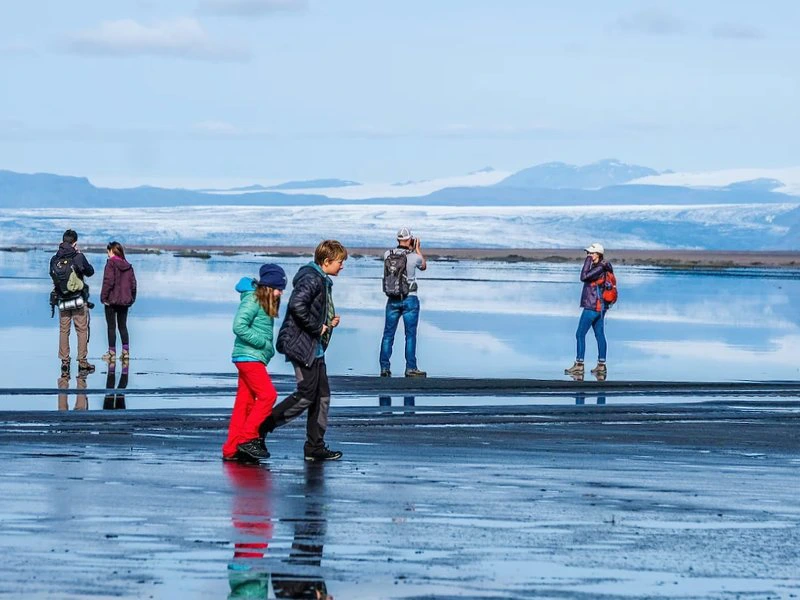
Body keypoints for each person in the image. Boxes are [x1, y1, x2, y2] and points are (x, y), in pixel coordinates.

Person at [260, 240, 348, 462]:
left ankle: (315, 447)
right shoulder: (311, 278)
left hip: (314, 348)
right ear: (327, 261)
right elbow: (297, 305)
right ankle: (263, 426)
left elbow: (309, 308)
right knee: (307, 395)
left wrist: (328, 321)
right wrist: (318, 327)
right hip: (301, 346)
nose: (342, 266)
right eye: (340, 262)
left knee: (322, 396)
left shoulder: (321, 279)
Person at [222, 264, 288, 462]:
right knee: (268, 395)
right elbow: (238, 326)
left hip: (251, 357)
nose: (281, 292)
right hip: (249, 357)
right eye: (278, 288)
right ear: (268, 286)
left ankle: (231, 449)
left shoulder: (263, 300)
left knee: (245, 403)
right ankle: (248, 437)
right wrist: (263, 343)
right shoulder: (253, 299)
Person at [379, 226, 427, 378]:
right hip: (410, 299)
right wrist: (417, 248)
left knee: (388, 335)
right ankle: (411, 368)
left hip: (392, 299)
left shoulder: (388, 254)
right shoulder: (414, 257)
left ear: (397, 239)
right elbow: (423, 266)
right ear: (410, 239)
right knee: (410, 335)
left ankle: (384, 368)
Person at [565, 242, 614, 378]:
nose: (588, 255)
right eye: (587, 253)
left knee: (580, 334)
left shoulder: (599, 268)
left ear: (598, 254)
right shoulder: (603, 267)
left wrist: (587, 261)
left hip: (593, 306)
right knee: (599, 335)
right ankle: (601, 366)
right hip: (600, 307)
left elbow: (584, 277)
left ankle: (579, 365)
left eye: (591, 253)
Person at [50, 229, 95, 375]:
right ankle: (82, 362)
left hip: (62, 299)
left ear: (62, 242)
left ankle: (64, 361)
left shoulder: (54, 259)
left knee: (64, 330)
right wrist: (78, 255)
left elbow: (53, 276)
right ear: (75, 242)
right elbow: (90, 271)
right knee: (81, 330)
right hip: (77, 299)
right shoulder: (78, 257)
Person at [100, 241, 137, 362]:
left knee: (111, 327)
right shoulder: (128, 265)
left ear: (112, 251)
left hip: (111, 300)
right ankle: (125, 352)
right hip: (125, 301)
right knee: (123, 326)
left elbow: (108, 281)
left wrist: (103, 297)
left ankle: (111, 353)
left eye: (108, 251)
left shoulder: (110, 264)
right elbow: (133, 285)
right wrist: (131, 299)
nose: (107, 254)